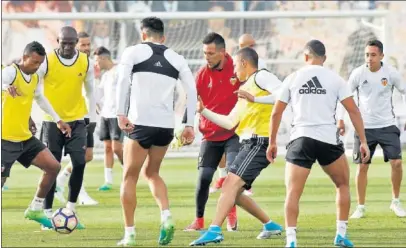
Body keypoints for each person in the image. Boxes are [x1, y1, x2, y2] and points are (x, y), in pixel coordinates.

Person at [267, 40, 370, 248]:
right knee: (342, 185)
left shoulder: (293, 78)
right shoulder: (335, 79)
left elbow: (276, 112)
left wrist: (272, 142)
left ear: (306, 56)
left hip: (301, 139)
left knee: (293, 192)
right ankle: (340, 235)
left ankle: (291, 240)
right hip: (328, 140)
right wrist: (364, 142)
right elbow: (353, 111)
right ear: (324, 58)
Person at [115, 17, 197, 246]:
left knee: (129, 176)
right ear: (163, 37)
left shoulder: (133, 52)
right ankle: (166, 216)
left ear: (143, 35)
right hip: (165, 127)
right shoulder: (177, 58)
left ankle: (129, 234)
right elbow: (192, 89)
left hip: (139, 123)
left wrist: (120, 113)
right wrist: (189, 124)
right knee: (151, 173)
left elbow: (123, 81)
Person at [190, 47, 283, 246]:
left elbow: (284, 93)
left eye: (235, 66)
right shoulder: (245, 89)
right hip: (248, 143)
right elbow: (230, 122)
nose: (233, 72)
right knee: (236, 192)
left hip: (259, 142)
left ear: (243, 63)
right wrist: (203, 111)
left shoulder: (261, 77)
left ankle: (214, 229)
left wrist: (255, 99)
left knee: (229, 186)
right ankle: (270, 225)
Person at [1, 41, 71, 228]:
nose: (37, 66)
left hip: (24, 137)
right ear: (24, 58)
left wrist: (58, 120)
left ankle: (35, 208)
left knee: (53, 166)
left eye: (40, 63)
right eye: (34, 62)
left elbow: (39, 98)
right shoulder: (11, 72)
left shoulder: (34, 78)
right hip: (4, 138)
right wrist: (4, 87)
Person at [337, 39, 406, 219]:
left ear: (381, 56)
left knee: (397, 163)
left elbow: (404, 91)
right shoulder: (358, 73)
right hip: (364, 127)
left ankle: (396, 201)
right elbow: (344, 96)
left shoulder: (391, 73)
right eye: (367, 55)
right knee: (362, 167)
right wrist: (341, 120)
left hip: (387, 125)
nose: (369, 58)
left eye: (373, 55)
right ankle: (360, 206)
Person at [37, 26, 97, 230]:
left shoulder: (85, 61)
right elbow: (37, 91)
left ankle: (70, 210)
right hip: (51, 122)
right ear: (58, 42)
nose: (68, 47)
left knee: (80, 162)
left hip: (78, 120)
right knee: (51, 167)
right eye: (65, 43)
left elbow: (91, 91)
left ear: (76, 44)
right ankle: (46, 213)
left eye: (72, 43)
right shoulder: (47, 60)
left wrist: (91, 117)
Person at [184, 32, 240, 232]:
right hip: (210, 135)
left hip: (234, 133)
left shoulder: (238, 69)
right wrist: (187, 125)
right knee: (204, 178)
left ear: (223, 53)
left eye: (210, 53)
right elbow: (191, 102)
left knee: (232, 176)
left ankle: (231, 212)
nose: (206, 57)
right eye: (204, 53)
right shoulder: (201, 75)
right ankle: (198, 220)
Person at [210, 33, 268, 196]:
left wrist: (255, 99)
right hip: (233, 105)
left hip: (250, 111)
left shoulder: (260, 65)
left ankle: (242, 183)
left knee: (240, 146)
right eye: (243, 46)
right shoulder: (235, 61)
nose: (246, 49)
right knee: (221, 143)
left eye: (249, 46)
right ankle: (224, 178)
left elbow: (265, 87)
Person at [54, 31, 98, 206]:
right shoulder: (68, 63)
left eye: (88, 44)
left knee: (87, 156)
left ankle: (60, 182)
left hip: (87, 116)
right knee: (80, 157)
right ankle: (80, 194)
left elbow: (92, 91)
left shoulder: (89, 63)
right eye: (83, 45)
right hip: (74, 117)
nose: (86, 48)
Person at [94, 46, 124, 191]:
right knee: (107, 148)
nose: (96, 64)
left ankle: (130, 173)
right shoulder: (105, 76)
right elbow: (100, 94)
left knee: (117, 148)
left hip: (116, 115)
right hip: (105, 115)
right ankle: (108, 181)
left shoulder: (119, 71)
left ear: (104, 58)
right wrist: (98, 104)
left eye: (97, 60)